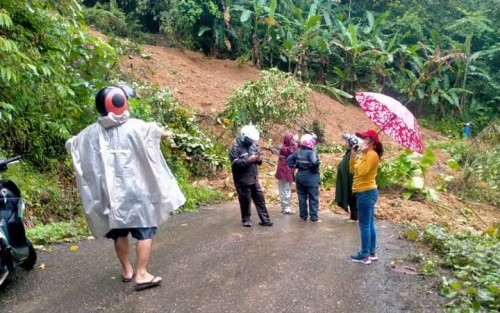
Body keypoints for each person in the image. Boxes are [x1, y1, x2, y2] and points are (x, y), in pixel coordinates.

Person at [66, 86, 186, 291]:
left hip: (112, 197)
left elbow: (73, 144)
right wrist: (167, 133)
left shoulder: (91, 133)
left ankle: (128, 270)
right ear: (119, 102)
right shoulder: (138, 127)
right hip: (137, 193)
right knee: (144, 231)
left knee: (119, 233)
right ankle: (141, 274)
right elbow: (159, 134)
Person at [348, 129, 383, 265]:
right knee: (369, 224)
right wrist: (353, 155)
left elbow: (362, 172)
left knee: (364, 225)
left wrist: (362, 155)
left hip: (366, 192)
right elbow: (352, 170)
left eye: (364, 138)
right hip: (364, 192)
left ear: (371, 141)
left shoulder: (372, 155)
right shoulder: (366, 154)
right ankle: (372, 252)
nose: (362, 140)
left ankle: (364, 255)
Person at [229, 124, 273, 227]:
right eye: (250, 139)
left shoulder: (253, 145)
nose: (252, 142)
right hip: (242, 180)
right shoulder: (235, 148)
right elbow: (235, 164)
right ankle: (246, 220)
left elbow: (258, 157)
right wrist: (248, 160)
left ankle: (265, 220)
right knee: (245, 200)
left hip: (253, 178)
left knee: (260, 199)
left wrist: (259, 159)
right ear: (244, 136)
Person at [287, 134, 321, 222]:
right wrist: (315, 166)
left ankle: (303, 216)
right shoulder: (311, 152)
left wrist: (296, 165)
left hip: (300, 178)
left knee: (302, 198)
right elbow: (314, 163)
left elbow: (288, 161)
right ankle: (314, 217)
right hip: (312, 179)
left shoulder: (297, 152)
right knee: (313, 198)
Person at [335, 135, 358, 222]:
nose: (346, 143)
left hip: (353, 181)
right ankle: (353, 216)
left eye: (347, 142)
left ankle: (355, 217)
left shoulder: (353, 154)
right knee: (352, 198)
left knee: (353, 198)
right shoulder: (350, 153)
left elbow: (350, 168)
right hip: (351, 181)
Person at [275, 132, 298, 214]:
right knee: (286, 189)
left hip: (282, 171)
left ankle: (284, 206)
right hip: (286, 171)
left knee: (282, 189)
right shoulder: (287, 149)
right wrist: (295, 142)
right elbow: (293, 150)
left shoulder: (283, 148)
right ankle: (286, 208)